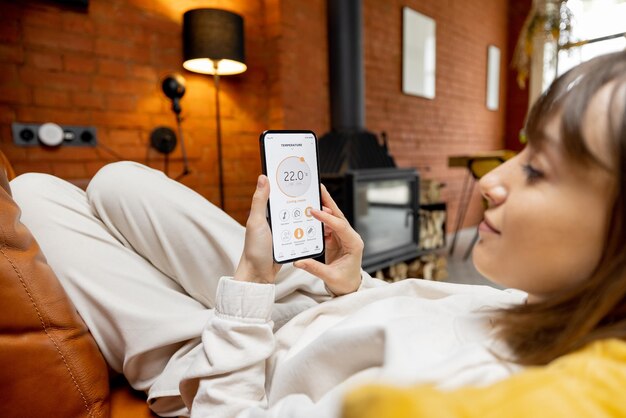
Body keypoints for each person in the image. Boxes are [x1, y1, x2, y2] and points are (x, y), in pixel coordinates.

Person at [10, 50, 626, 417]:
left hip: (232, 362)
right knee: (120, 181)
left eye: (540, 168)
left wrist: (249, 283)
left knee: (35, 193)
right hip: (307, 303)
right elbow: (398, 328)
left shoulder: (486, 397)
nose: (495, 182)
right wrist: (354, 286)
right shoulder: (542, 308)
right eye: (522, 152)